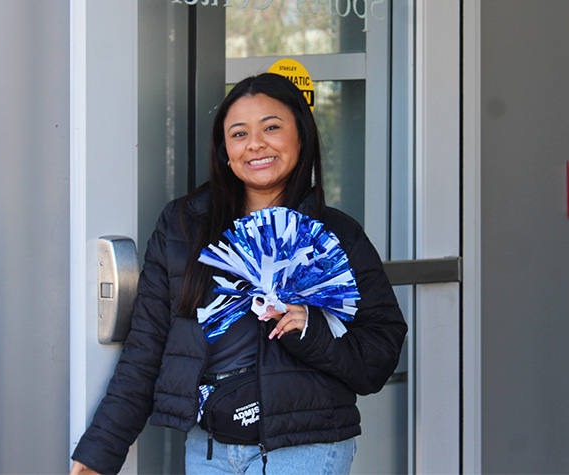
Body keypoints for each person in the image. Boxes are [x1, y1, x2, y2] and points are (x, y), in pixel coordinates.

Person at [70, 73, 407, 475]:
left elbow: (379, 356)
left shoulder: (337, 234)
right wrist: (99, 453)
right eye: (239, 133)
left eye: (271, 127)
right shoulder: (182, 226)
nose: (255, 144)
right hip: (208, 448)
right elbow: (146, 349)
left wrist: (312, 328)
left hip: (304, 448)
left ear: (302, 135)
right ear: (225, 150)